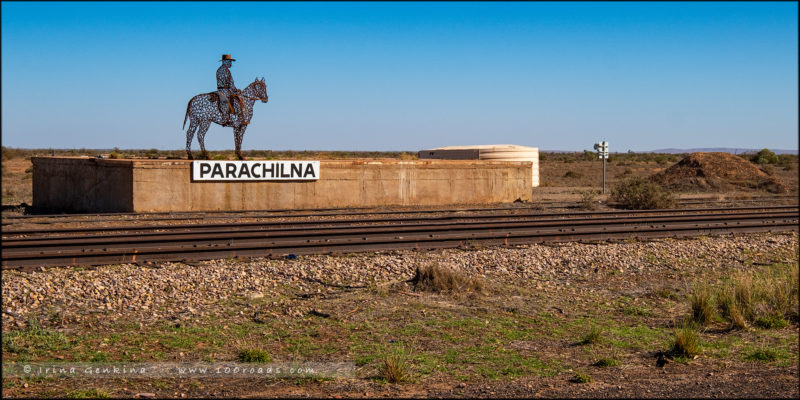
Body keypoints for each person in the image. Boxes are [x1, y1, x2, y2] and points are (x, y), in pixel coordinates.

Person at [216, 54, 242, 124]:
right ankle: (227, 117)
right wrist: (236, 90)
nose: (231, 63)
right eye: (229, 62)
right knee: (235, 100)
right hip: (225, 90)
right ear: (224, 62)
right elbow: (231, 83)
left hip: (219, 89)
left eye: (230, 62)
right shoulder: (226, 71)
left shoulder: (219, 70)